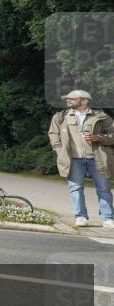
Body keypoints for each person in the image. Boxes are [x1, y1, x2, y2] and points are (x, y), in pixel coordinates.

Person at [48, 90, 114, 228]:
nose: (68, 100)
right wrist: (59, 151)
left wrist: (100, 138)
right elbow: (53, 135)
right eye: (67, 99)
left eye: (72, 99)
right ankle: (81, 217)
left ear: (84, 101)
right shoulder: (61, 117)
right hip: (74, 159)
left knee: (104, 189)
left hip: (97, 158)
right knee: (76, 188)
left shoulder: (101, 116)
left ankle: (108, 218)